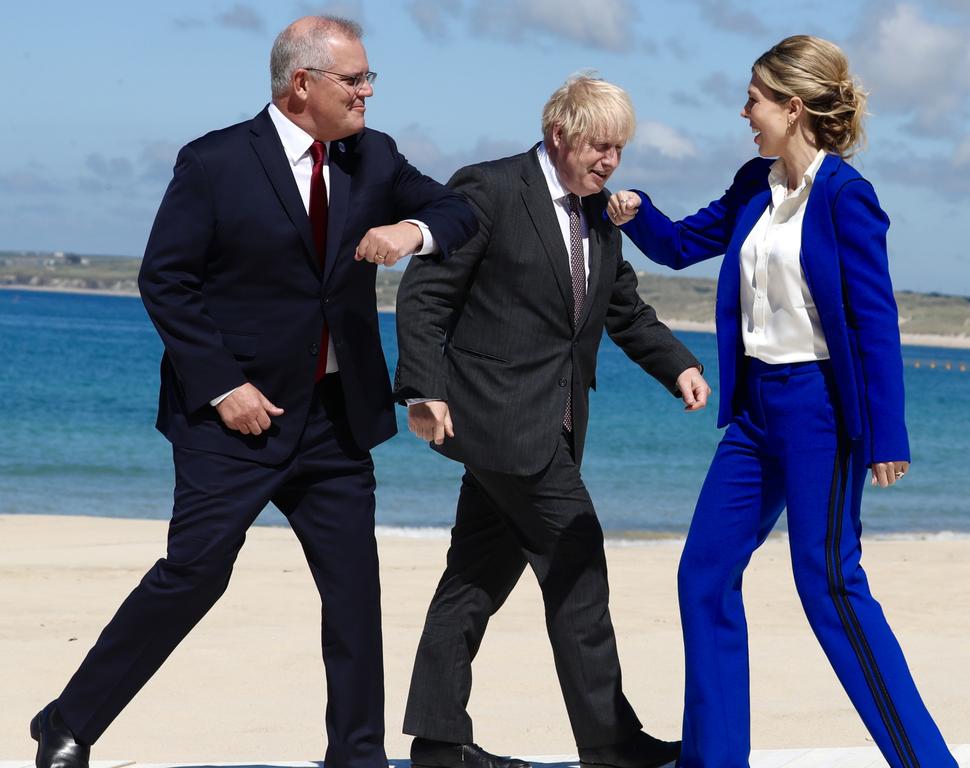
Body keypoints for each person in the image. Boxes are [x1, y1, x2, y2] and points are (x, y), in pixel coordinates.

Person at [29, 15, 476, 768]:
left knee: (353, 597)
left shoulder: (378, 158)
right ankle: (68, 722)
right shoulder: (213, 163)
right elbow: (164, 281)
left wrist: (412, 233)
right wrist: (222, 385)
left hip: (336, 422)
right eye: (355, 79)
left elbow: (459, 210)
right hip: (234, 423)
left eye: (370, 79)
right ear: (303, 84)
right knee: (194, 577)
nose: (368, 91)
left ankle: (356, 757)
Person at [606, 35, 958, 768]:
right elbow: (678, 245)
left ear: (793, 107)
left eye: (755, 99)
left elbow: (874, 320)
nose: (745, 112)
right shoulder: (753, 183)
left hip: (821, 411)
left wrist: (886, 434)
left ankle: (926, 761)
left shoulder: (846, 199)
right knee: (703, 574)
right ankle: (714, 759)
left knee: (828, 582)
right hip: (755, 412)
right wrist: (634, 210)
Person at [394, 74, 709, 768]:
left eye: (620, 150)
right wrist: (423, 388)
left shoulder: (598, 214)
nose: (610, 162)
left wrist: (677, 365)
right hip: (499, 422)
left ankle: (439, 741)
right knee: (579, 566)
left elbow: (620, 308)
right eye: (600, 146)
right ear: (560, 133)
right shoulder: (489, 189)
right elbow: (426, 294)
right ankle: (610, 743)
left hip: (555, 426)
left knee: (474, 578)